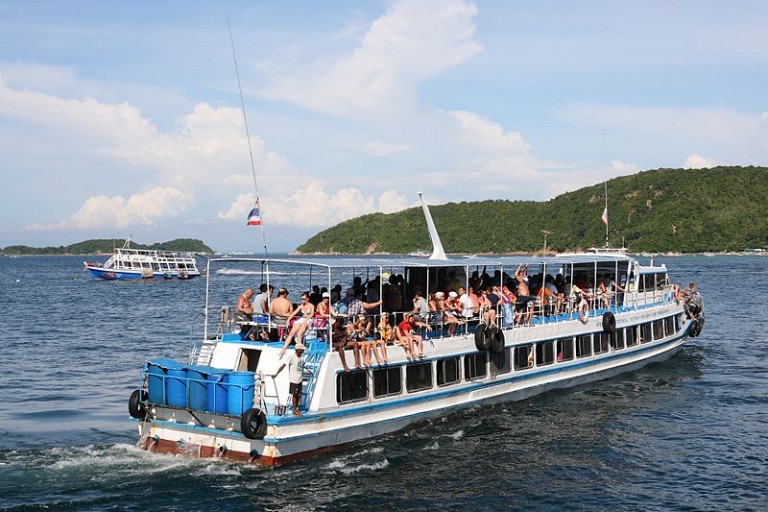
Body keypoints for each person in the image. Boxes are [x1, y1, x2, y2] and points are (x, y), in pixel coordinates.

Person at [273, 343, 305, 416]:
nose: (303, 351)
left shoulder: (301, 357)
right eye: (301, 350)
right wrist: (276, 373)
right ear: (298, 350)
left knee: (299, 394)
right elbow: (284, 365)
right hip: (294, 379)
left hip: (300, 379)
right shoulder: (292, 356)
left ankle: (296, 407)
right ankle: (294, 409)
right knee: (294, 394)